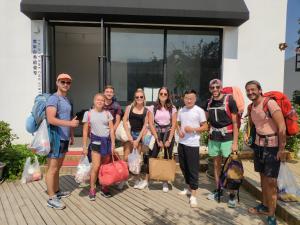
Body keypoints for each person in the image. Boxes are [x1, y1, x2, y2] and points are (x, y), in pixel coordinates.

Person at [245, 80, 286, 225]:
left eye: (253, 89)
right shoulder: (251, 107)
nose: (250, 92)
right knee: (262, 177)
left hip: (273, 146)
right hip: (258, 145)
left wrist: (282, 148)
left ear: (260, 89)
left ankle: (272, 214)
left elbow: (281, 126)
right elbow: (253, 125)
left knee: (271, 181)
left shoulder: (270, 103)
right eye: (248, 90)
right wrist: (248, 135)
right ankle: (264, 205)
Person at [46, 73, 79, 210]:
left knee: (58, 168)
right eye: (63, 82)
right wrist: (70, 125)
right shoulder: (54, 99)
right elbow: (51, 119)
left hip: (64, 138)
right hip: (55, 138)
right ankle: (51, 198)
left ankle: (57, 191)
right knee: (52, 169)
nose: (66, 84)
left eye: (68, 82)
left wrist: (71, 135)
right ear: (57, 82)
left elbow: (69, 119)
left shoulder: (66, 100)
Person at [135, 87, 177, 191]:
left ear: (168, 96)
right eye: (161, 94)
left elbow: (174, 124)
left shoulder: (172, 108)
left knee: (167, 157)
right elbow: (151, 123)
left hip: (168, 135)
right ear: (158, 94)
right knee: (152, 157)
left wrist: (169, 140)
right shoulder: (152, 107)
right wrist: (157, 139)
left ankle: (165, 181)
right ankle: (146, 180)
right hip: (156, 134)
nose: (163, 95)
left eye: (165, 94)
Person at [205, 79, 239, 208]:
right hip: (214, 138)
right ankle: (219, 190)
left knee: (230, 167)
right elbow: (204, 119)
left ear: (221, 88)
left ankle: (231, 194)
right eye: (212, 87)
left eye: (217, 87)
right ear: (210, 89)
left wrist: (235, 142)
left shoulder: (229, 100)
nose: (214, 89)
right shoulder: (209, 102)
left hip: (228, 138)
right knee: (216, 165)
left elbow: (235, 123)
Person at [177, 89, 208, 208]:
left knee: (193, 169)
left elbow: (205, 126)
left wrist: (193, 129)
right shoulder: (181, 110)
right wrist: (179, 131)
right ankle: (189, 188)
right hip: (182, 143)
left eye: (191, 98)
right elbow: (178, 123)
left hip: (193, 144)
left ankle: (194, 196)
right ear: (183, 99)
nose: (189, 100)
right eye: (186, 98)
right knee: (183, 167)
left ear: (195, 99)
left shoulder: (199, 111)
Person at [82, 93, 115, 200]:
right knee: (95, 167)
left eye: (102, 100)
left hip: (107, 142)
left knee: (105, 167)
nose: (100, 101)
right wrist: (84, 146)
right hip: (95, 142)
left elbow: (111, 130)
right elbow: (85, 130)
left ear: (104, 102)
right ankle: (92, 189)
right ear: (94, 101)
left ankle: (105, 187)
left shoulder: (108, 114)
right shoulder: (88, 114)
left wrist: (113, 144)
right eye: (98, 100)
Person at [120, 88, 148, 189]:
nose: (139, 98)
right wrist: (129, 136)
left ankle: (136, 179)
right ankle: (123, 178)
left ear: (144, 98)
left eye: (141, 97)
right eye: (137, 97)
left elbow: (145, 126)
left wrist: (137, 139)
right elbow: (124, 121)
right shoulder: (129, 107)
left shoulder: (146, 110)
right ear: (134, 98)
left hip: (139, 136)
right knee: (126, 157)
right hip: (129, 134)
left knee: (136, 159)